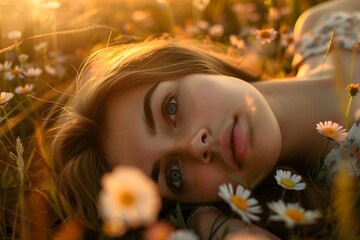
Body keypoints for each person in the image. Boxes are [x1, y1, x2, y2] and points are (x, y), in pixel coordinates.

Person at [41, 0, 360, 239]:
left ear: (184, 63)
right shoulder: (350, 188)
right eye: (175, 174)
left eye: (170, 109)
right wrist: (214, 225)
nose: (195, 145)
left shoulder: (321, 24)